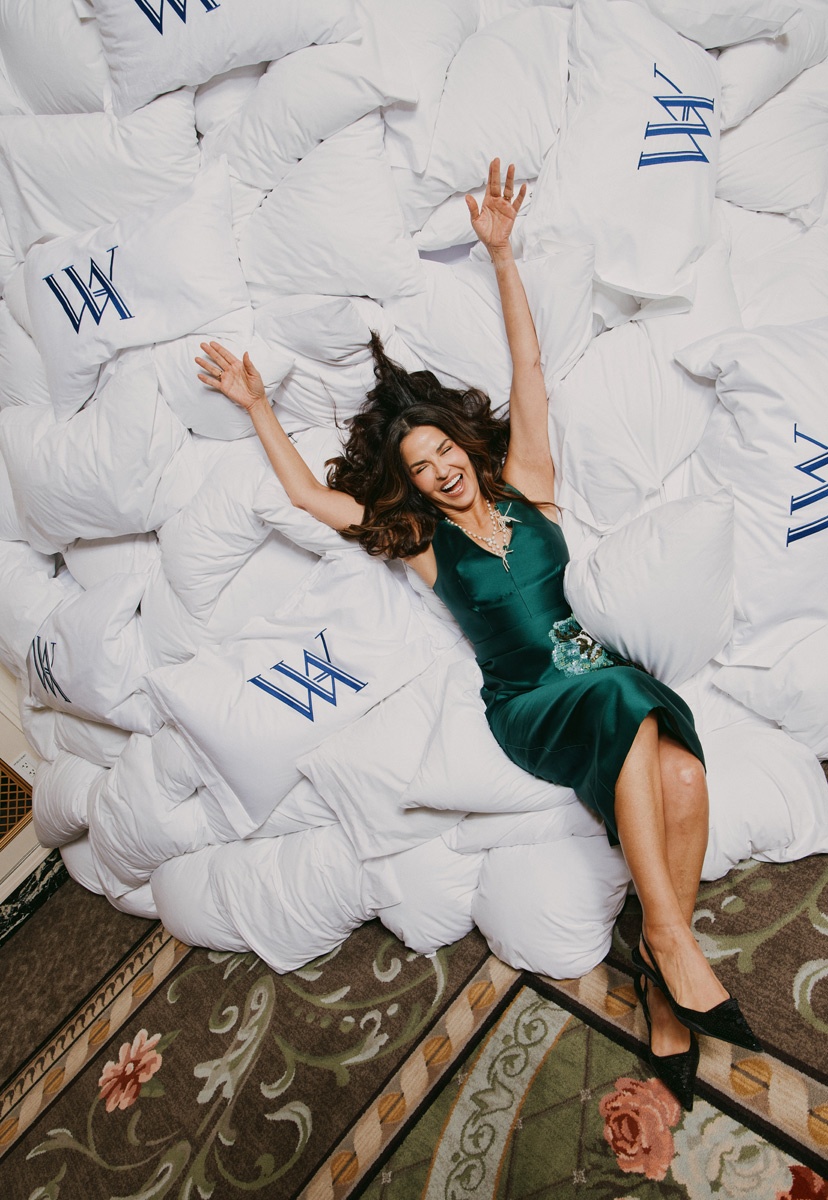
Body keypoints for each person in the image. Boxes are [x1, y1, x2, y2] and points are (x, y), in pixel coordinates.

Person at [195, 158, 761, 1109]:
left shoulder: (531, 485)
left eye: (444, 453)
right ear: (411, 486)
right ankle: (669, 940)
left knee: (685, 777)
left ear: (464, 443)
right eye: (420, 470)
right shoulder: (424, 547)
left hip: (598, 677)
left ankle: (664, 988)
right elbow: (307, 498)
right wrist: (258, 407)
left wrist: (502, 255)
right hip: (531, 703)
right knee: (623, 696)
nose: (440, 472)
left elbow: (527, 370)